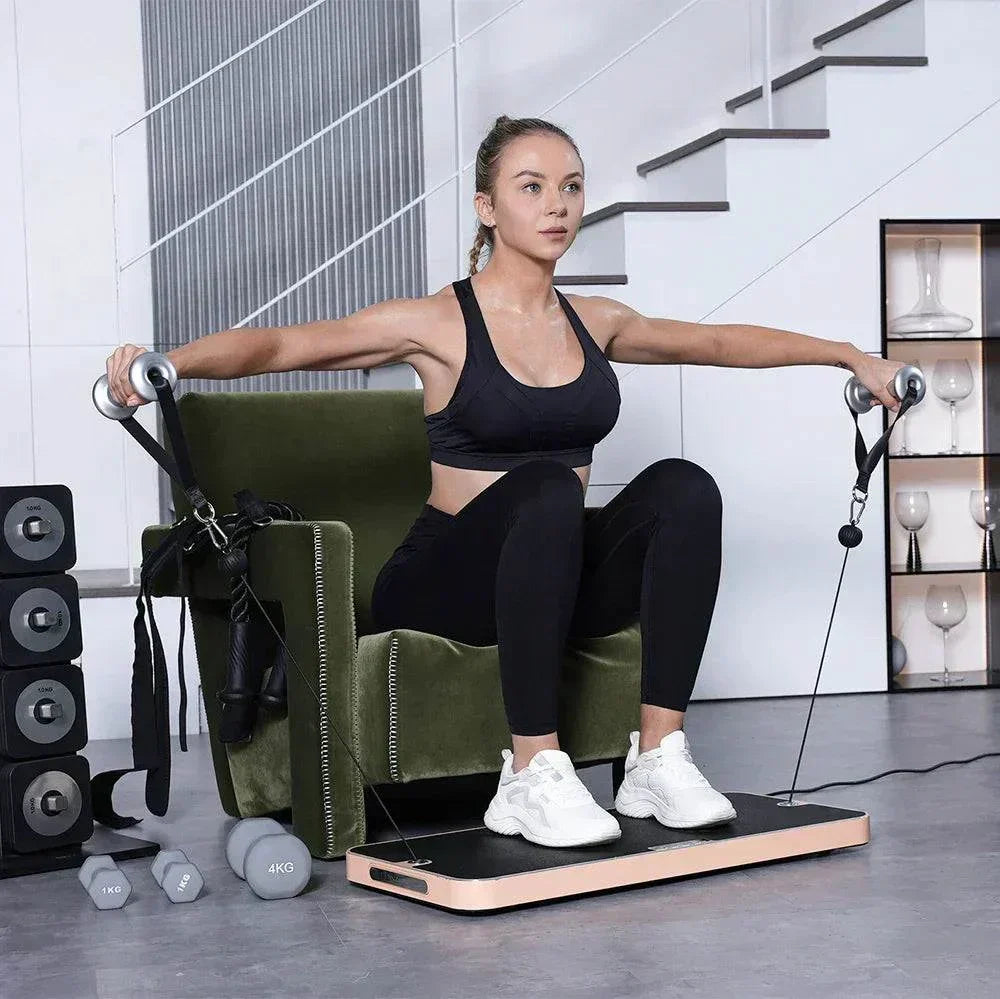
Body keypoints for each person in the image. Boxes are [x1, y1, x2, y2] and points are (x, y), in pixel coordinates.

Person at [106, 114, 905, 850]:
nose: (557, 205)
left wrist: (846, 354)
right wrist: (167, 363)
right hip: (441, 584)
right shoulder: (437, 322)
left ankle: (658, 756)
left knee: (685, 489)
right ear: (487, 208)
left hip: (552, 577)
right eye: (532, 187)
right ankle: (530, 771)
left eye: (571, 186)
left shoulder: (595, 321)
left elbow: (717, 342)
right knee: (548, 487)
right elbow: (286, 346)